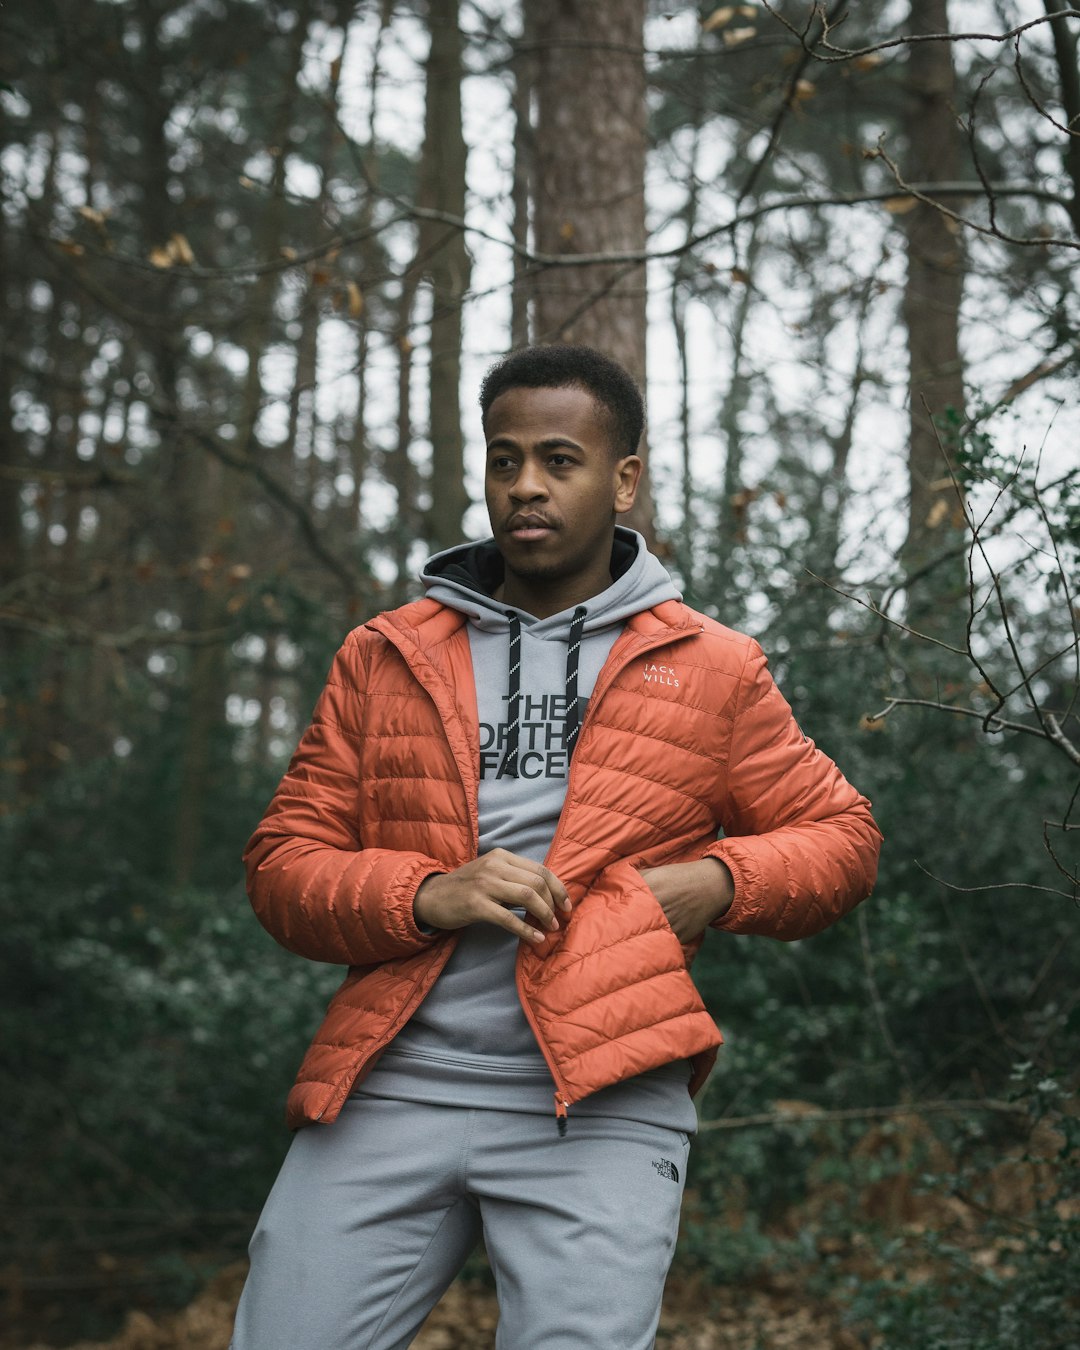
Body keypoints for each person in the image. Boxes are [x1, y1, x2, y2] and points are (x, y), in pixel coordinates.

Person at [230, 344, 882, 1350]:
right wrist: (427, 892)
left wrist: (716, 880)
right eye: (504, 459)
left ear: (623, 480)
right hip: (394, 1082)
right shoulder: (386, 653)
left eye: (558, 459)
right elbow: (282, 865)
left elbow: (844, 839)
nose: (525, 484)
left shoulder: (714, 668)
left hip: (605, 1098)